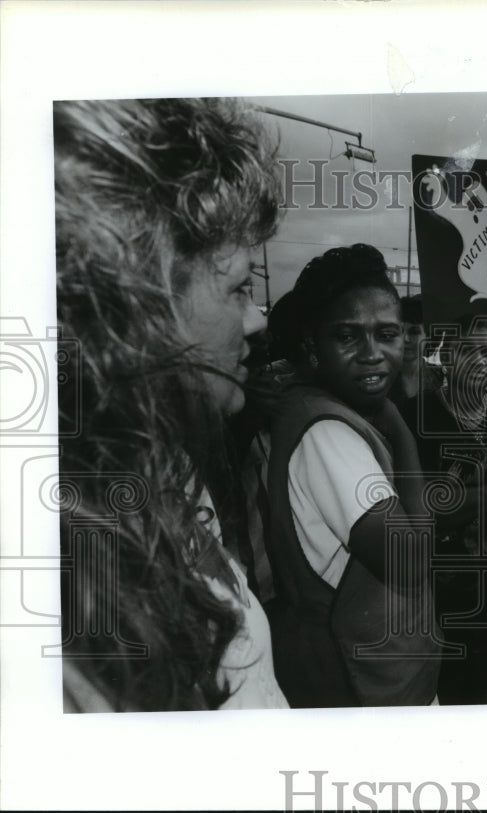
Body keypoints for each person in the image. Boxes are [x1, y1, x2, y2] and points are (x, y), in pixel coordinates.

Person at [55, 97, 288, 711]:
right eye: (238, 288)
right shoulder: (85, 592)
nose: (257, 318)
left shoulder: (165, 470)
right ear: (141, 309)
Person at [262, 245, 441, 707]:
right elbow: (409, 558)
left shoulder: (336, 412)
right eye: (347, 336)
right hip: (361, 692)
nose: (372, 354)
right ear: (312, 346)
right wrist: (400, 428)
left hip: (384, 678)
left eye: (387, 334)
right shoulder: (326, 432)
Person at [399, 319, 487, 704]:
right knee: (445, 688)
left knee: (479, 679)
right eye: (470, 351)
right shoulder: (414, 415)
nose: (483, 362)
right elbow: (419, 508)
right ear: (447, 356)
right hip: (435, 588)